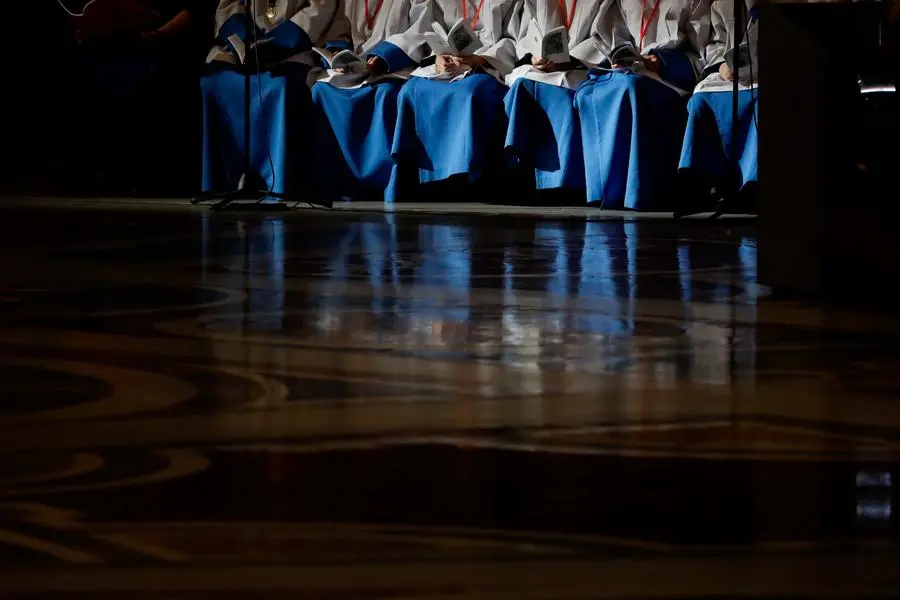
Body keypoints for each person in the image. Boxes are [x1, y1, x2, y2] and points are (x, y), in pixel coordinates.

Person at [201, 0, 349, 199]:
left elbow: (320, 7)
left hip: (294, 50)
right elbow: (231, 5)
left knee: (280, 87)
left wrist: (277, 41)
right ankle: (225, 181)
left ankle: (276, 182)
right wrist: (244, 36)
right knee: (214, 83)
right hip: (246, 46)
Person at [60, 0, 211, 195]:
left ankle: (140, 175)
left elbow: (198, 10)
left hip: (167, 44)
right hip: (119, 39)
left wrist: (160, 35)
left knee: (148, 80)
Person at [573, 0, 709, 209]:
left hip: (667, 78)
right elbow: (609, 35)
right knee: (589, 92)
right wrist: (620, 54)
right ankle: (603, 189)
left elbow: (703, 54)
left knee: (631, 89)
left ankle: (633, 191)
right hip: (628, 70)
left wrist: (661, 63)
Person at [386, 0, 521, 200]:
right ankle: (412, 178)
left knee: (469, 93)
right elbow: (433, 31)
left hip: (487, 65)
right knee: (411, 90)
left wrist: (481, 58)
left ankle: (462, 177)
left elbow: (512, 37)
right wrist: (438, 56)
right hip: (449, 64)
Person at [309, 0, 433, 202]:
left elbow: (420, 27)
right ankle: (333, 183)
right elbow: (340, 27)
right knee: (321, 91)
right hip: (355, 65)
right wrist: (336, 52)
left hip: (394, 66)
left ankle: (384, 183)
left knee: (385, 94)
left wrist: (385, 57)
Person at [503, 0, 607, 195]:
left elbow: (602, 35)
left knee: (559, 96)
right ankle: (519, 171)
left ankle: (562, 182)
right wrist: (533, 56)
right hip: (542, 66)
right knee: (521, 86)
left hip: (580, 67)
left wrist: (570, 59)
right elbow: (525, 34)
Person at [677, 0, 758, 212]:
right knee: (701, 100)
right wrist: (722, 66)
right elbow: (716, 44)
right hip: (733, 75)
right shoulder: (724, 4)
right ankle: (702, 181)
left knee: (760, 101)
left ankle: (752, 185)